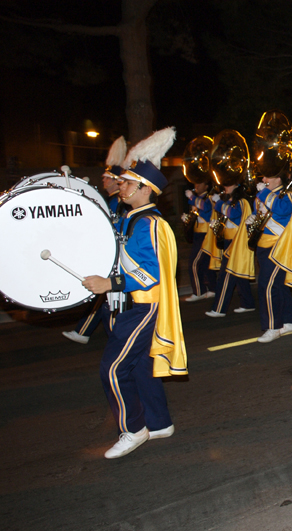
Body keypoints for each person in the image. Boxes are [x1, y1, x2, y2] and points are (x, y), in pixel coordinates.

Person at [81, 127, 187, 459]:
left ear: (145, 188)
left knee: (112, 369)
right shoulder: (131, 219)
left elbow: (150, 274)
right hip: (127, 305)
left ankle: (133, 428)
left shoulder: (151, 224)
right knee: (140, 366)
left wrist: (110, 284)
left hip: (143, 306)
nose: (120, 185)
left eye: (127, 182)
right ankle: (159, 423)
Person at [63, 136, 128, 344]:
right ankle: (85, 331)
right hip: (109, 252)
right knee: (103, 294)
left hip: (119, 255)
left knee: (109, 294)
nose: (103, 180)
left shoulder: (122, 202)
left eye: (107, 177)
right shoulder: (110, 200)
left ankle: (106, 334)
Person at [250, 170, 292, 343]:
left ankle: (273, 326)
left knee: (267, 286)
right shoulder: (264, 195)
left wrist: (265, 193)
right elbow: (263, 216)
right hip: (263, 245)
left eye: (268, 176)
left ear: (278, 179)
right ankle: (288, 321)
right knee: (279, 286)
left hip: (279, 247)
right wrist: (252, 220)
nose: (264, 178)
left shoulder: (288, 196)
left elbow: (282, 210)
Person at [205, 181, 256, 317]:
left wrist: (220, 204)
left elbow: (233, 214)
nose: (225, 186)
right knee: (238, 274)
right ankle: (248, 303)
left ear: (237, 185)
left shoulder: (242, 201)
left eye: (228, 183)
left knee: (225, 274)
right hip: (229, 240)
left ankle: (219, 308)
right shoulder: (231, 200)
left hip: (236, 241)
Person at [183, 180, 216, 301]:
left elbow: (206, 208)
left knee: (194, 263)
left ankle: (199, 291)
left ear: (206, 185)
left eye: (199, 183)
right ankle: (213, 288)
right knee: (205, 263)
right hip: (198, 233)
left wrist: (192, 197)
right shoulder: (197, 198)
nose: (196, 185)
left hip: (205, 234)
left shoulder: (209, 197)